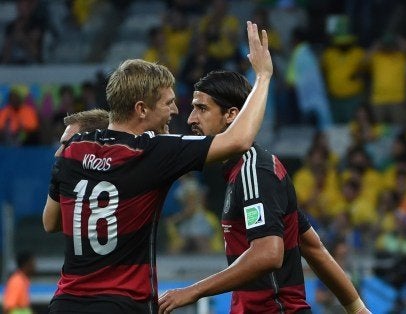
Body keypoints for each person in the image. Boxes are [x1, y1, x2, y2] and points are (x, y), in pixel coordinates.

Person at [41, 21, 271, 313]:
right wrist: (263, 76)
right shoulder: (153, 152)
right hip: (122, 304)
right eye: (169, 103)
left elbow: (51, 223)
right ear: (141, 109)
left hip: (65, 304)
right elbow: (238, 140)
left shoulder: (73, 148)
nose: (176, 111)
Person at [158, 70, 369, 313]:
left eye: (202, 109)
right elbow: (312, 248)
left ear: (231, 115)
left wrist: (193, 290)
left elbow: (268, 254)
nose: (191, 119)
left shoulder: (255, 171)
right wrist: (357, 309)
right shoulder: (250, 169)